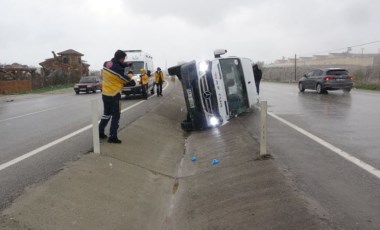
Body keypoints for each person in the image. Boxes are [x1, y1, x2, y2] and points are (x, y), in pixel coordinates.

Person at [99, 50, 135, 144]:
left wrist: (126, 65)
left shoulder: (106, 63)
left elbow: (116, 65)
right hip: (114, 94)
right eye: (123, 59)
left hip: (105, 93)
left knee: (106, 113)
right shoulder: (118, 70)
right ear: (120, 58)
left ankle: (100, 132)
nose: (124, 61)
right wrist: (131, 73)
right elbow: (125, 80)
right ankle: (113, 137)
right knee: (116, 115)